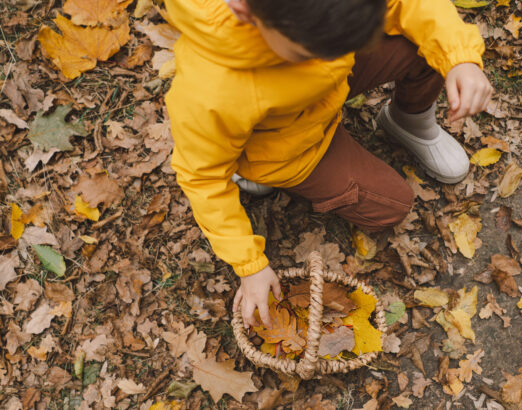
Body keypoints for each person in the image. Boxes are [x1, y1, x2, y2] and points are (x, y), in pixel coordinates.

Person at [164, 0, 493, 330]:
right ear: (244, 10)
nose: (330, 57)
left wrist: (459, 59)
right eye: (309, 53)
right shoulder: (214, 90)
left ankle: (409, 120)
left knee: (425, 44)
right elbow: (202, 176)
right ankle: (247, 169)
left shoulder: (321, 33)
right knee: (392, 205)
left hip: (328, 83)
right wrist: (249, 266)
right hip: (289, 147)